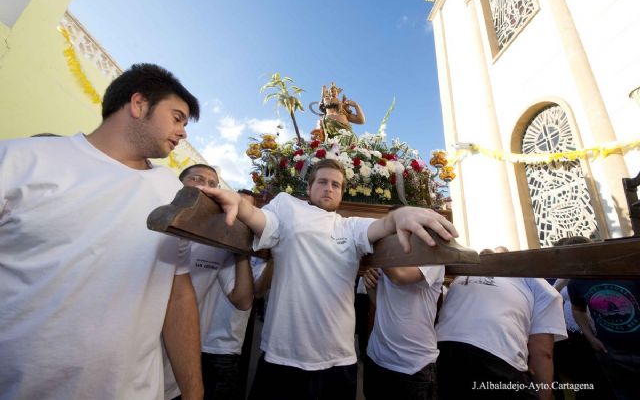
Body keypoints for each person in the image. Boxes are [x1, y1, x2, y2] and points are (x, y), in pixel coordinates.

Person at [0, 63, 204, 399]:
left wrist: (194, 393)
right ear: (138, 104)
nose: (183, 132)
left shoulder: (173, 193)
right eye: (177, 117)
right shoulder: (20, 160)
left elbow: (178, 294)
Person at [198, 158, 458, 400]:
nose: (329, 188)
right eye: (322, 182)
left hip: (338, 361)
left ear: (342, 192)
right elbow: (258, 217)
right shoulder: (287, 207)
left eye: (336, 185)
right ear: (310, 187)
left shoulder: (350, 226)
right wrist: (239, 203)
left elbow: (383, 226)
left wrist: (400, 215)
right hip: (281, 356)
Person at [164, 167, 255, 400]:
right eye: (197, 179)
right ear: (179, 183)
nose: (205, 186)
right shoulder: (157, 222)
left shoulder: (217, 241)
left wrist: (241, 248)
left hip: (177, 365)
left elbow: (243, 300)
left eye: (213, 183)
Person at [436, 247, 567, 400]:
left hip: (442, 351)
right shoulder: (540, 286)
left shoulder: (465, 275)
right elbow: (542, 352)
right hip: (496, 357)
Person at [566, 237, 640, 400]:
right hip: (612, 351)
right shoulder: (576, 283)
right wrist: (590, 337)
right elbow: (577, 309)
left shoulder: (627, 272)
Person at [362, 258, 444, 400]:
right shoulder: (388, 257)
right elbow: (380, 304)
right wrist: (370, 284)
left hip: (413, 366)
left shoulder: (433, 254)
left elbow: (399, 275)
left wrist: (376, 253)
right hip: (377, 358)